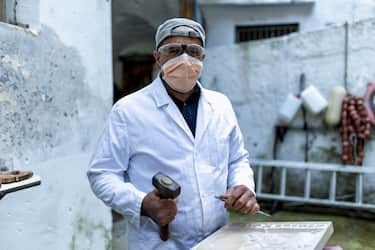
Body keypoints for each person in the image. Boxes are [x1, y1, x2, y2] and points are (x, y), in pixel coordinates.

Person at [87, 17, 259, 250]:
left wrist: (242, 187)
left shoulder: (221, 105)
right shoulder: (129, 110)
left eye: (193, 51)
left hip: (218, 239)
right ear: (158, 57)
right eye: (174, 50)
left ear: (203, 58)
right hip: (159, 242)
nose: (185, 59)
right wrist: (142, 204)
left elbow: (237, 159)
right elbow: (102, 174)